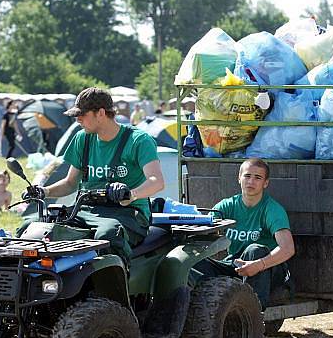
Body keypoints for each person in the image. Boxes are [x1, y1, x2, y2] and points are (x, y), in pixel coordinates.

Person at [26, 87, 165, 266]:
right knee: (32, 227)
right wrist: (43, 191)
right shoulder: (82, 139)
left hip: (128, 214)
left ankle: (114, 288)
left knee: (107, 236)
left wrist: (131, 194)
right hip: (85, 211)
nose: (77, 120)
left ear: (100, 113)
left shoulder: (138, 140)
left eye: (82, 115)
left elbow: (157, 181)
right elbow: (70, 183)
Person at [193, 158, 295, 308]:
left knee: (255, 250)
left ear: (265, 183)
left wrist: (259, 265)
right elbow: (202, 231)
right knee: (193, 261)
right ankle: (197, 307)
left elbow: (288, 248)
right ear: (239, 178)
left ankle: (253, 313)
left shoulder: (272, 209)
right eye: (247, 176)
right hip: (236, 266)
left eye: (257, 178)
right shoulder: (227, 205)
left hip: (267, 270)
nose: (251, 182)